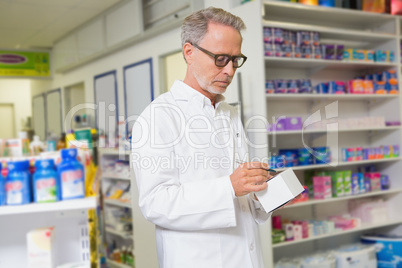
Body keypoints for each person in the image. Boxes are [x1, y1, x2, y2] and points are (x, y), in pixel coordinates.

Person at [131, 6, 272, 268]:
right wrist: (229, 187)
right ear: (189, 52)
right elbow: (156, 203)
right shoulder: (158, 117)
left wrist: (263, 194)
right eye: (220, 58)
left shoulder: (229, 114)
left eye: (235, 59)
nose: (229, 70)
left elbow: (239, 194)